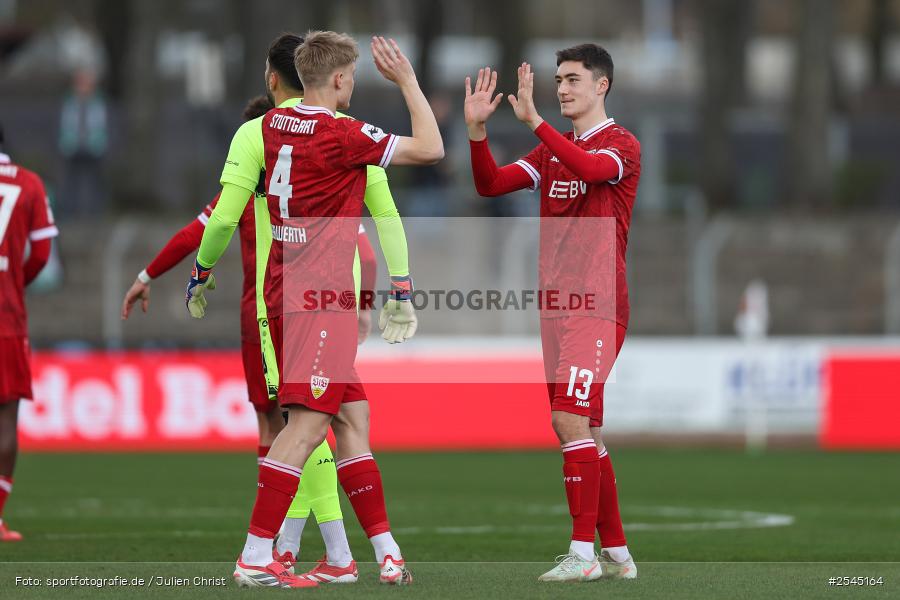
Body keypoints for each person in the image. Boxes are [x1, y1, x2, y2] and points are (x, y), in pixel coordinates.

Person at [186, 32, 442, 588]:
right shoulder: (346, 135)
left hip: (282, 291)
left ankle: (376, 555)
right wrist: (407, 81)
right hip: (322, 300)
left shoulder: (261, 129)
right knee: (305, 425)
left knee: (352, 418)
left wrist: (201, 272)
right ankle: (256, 555)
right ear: (341, 79)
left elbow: (224, 217)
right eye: (354, 77)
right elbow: (430, 149)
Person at [121, 92, 378, 583]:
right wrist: (361, 304)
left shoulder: (245, 190)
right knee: (297, 425)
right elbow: (364, 251)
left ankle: (298, 548)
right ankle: (295, 545)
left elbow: (199, 232)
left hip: (267, 315)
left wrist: (153, 275)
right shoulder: (316, 183)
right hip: (312, 311)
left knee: (292, 426)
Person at [465, 44, 640, 581]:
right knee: (585, 429)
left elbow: (591, 168)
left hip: (597, 305)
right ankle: (617, 553)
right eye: (558, 80)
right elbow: (490, 184)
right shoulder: (549, 153)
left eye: (572, 79)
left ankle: (582, 556)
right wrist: (476, 132)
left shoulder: (621, 144)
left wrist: (536, 122)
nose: (562, 88)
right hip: (556, 308)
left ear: (601, 85)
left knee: (567, 419)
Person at [0, 123, 59, 541]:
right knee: (5, 420)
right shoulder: (28, 183)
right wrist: (14, 284)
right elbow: (40, 253)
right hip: (6, 319)